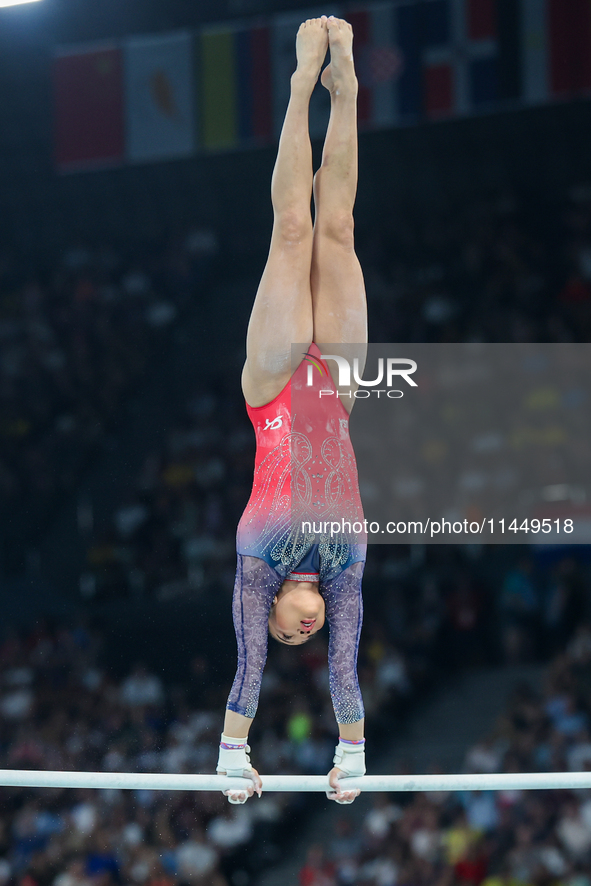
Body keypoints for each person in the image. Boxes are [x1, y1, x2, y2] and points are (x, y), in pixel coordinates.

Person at [216, 15, 368, 805]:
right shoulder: (342, 579)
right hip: (337, 388)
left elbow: (248, 669)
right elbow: (344, 668)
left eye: (283, 630)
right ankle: (344, 92)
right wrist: (352, 759)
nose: (293, 635)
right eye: (292, 637)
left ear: (270, 605)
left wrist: (232, 758)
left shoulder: (255, 567)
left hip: (275, 389)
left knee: (291, 231)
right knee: (336, 231)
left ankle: (299, 81)